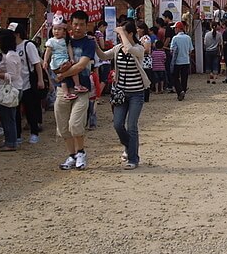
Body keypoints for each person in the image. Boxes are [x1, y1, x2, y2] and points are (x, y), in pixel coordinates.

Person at [96, 22, 150, 169]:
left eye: (123, 33)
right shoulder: (118, 48)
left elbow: (131, 49)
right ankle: (128, 145)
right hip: (121, 92)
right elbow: (103, 55)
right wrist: (94, 44)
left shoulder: (139, 48)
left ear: (130, 34)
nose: (120, 37)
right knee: (118, 124)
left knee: (132, 125)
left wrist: (121, 32)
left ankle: (133, 158)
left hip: (136, 93)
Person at [53, 10, 95, 170]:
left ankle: (81, 152)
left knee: (75, 123)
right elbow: (52, 60)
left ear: (86, 25)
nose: (78, 28)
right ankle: (71, 155)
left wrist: (62, 74)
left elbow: (81, 65)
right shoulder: (61, 40)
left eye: (81, 25)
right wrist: (57, 73)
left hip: (81, 89)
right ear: (70, 24)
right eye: (75, 24)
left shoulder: (89, 42)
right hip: (63, 89)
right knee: (63, 126)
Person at [11, 23, 45, 145]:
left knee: (31, 109)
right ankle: (18, 135)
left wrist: (40, 80)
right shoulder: (11, 47)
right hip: (15, 85)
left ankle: (34, 132)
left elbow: (36, 63)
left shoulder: (28, 45)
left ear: (17, 34)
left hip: (28, 83)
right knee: (16, 111)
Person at [44, 12, 87, 101]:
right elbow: (47, 52)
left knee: (65, 76)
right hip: (57, 62)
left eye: (59, 29)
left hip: (63, 60)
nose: (56, 31)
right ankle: (77, 85)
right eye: (54, 29)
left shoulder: (65, 40)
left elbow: (69, 49)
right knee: (73, 69)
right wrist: (45, 61)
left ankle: (66, 93)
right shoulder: (51, 41)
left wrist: (71, 58)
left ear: (64, 31)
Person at [170, 21, 193, 101]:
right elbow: (190, 50)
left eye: (175, 28)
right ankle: (183, 91)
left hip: (177, 61)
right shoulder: (188, 38)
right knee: (184, 78)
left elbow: (172, 50)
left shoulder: (175, 38)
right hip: (186, 60)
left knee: (175, 77)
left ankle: (180, 91)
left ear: (178, 29)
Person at [136, 21, 153, 101]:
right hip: (142, 61)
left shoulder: (146, 38)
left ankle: (146, 97)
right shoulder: (141, 38)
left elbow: (146, 50)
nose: (137, 30)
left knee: (145, 79)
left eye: (138, 28)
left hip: (145, 62)